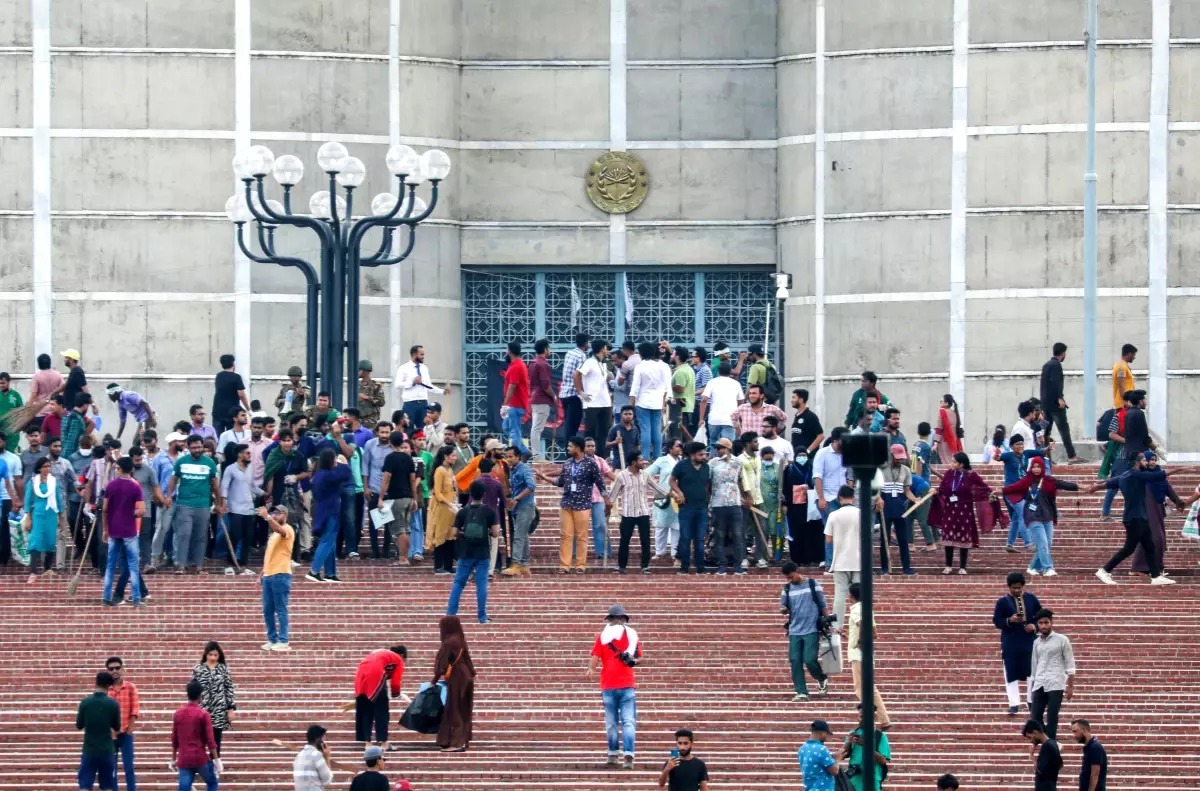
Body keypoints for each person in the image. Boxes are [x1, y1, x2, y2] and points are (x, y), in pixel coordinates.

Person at [1089, 452, 1179, 585]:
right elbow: (1159, 475)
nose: (1146, 462)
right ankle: (1104, 570)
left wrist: (1095, 487)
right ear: (1137, 462)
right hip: (1134, 518)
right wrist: (1180, 469)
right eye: (1144, 460)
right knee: (1129, 548)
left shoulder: (1125, 475)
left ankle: (1155, 576)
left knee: (1149, 546)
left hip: (1140, 517)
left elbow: (1108, 483)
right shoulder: (1136, 475)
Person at [536, 435, 607, 574]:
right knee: (565, 535)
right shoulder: (568, 463)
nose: (568, 448)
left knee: (581, 536)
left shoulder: (590, 463)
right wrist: (545, 477)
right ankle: (564, 565)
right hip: (567, 503)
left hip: (582, 504)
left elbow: (600, 482)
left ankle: (580, 565)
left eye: (570, 446)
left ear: (578, 448)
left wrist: (607, 500)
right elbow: (560, 481)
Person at [1003, 456, 1078, 577]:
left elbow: (1063, 484)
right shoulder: (1026, 480)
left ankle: (1033, 567)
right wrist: (1000, 491)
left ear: (1042, 467)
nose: (1036, 469)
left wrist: (1081, 487)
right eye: (1034, 466)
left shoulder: (1048, 480)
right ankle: (1048, 568)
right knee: (1042, 543)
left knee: (1047, 544)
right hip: (1032, 516)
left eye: (1038, 467)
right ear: (1031, 467)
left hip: (1047, 516)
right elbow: (1013, 488)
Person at [588, 604, 643, 769]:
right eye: (615, 618)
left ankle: (627, 754)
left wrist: (633, 661)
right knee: (613, 723)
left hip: (625, 685)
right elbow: (595, 655)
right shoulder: (603, 637)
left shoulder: (631, 636)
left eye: (619, 618)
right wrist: (591, 668)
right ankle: (613, 753)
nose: (617, 621)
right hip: (609, 685)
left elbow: (640, 657)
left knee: (626, 722)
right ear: (611, 620)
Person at [166, 435, 223, 575]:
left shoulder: (209, 463)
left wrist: (219, 503)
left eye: (199, 447)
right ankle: (180, 565)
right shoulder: (181, 462)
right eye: (194, 447)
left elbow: (215, 485)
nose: (197, 450)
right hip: (184, 503)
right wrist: (168, 496)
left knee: (200, 535)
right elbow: (173, 480)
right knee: (184, 534)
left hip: (203, 504)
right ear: (188, 447)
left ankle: (199, 565)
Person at [929, 452, 994, 575]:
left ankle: (962, 567)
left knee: (963, 537)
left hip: (964, 511)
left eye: (954, 462)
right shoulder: (949, 474)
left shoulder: (972, 475)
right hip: (949, 510)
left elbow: (984, 487)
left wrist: (990, 495)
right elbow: (942, 488)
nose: (951, 464)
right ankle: (948, 566)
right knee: (949, 536)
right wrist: (935, 490)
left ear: (961, 464)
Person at [607, 451, 671, 574]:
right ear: (633, 462)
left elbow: (657, 488)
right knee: (624, 540)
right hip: (627, 514)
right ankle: (622, 566)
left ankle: (645, 566)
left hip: (643, 512)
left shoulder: (645, 475)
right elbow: (613, 495)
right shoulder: (622, 476)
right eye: (641, 460)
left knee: (645, 541)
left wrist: (672, 494)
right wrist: (607, 508)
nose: (644, 462)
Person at [447, 480, 497, 624]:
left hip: (465, 552)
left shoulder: (463, 512)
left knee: (458, 582)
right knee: (481, 585)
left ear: (470, 494)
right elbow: (494, 533)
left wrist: (463, 533)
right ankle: (482, 617)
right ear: (483, 495)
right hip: (482, 553)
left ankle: (450, 615)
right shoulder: (489, 512)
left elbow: (454, 532)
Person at [992, 571, 1042, 715]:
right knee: (1010, 673)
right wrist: (1010, 620)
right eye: (1014, 588)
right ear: (1009, 587)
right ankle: (1014, 703)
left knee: (1032, 672)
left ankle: (1031, 700)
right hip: (1010, 642)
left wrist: (1035, 627)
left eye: (1019, 588)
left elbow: (1041, 616)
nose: (1016, 590)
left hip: (1029, 641)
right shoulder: (1002, 602)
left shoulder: (1031, 598)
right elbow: (997, 621)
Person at [780, 562, 830, 702]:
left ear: (797, 571)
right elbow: (783, 605)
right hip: (795, 630)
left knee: (809, 659)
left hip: (811, 629)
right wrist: (783, 609)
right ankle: (801, 692)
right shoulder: (787, 589)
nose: (789, 580)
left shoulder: (814, 584)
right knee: (795, 661)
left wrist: (827, 622)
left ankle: (821, 678)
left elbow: (822, 604)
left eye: (791, 577)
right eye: (787, 578)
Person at [1131, 450, 1184, 577]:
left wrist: (1178, 502)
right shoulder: (1142, 475)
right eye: (1150, 459)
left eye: (1155, 459)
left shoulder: (1159, 474)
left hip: (1158, 508)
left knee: (1157, 538)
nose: (1153, 462)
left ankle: (1154, 568)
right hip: (1147, 507)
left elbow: (1167, 489)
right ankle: (1140, 567)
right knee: (1156, 537)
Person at [845, 581, 890, 728]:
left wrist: (859, 641)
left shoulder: (857, 609)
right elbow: (874, 632)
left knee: (861, 689)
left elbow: (864, 626)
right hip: (865, 653)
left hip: (859, 655)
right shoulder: (867, 608)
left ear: (851, 596)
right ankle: (882, 718)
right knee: (869, 688)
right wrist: (851, 638)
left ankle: (874, 716)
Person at [102, 457, 145, 607]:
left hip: (114, 529)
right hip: (130, 530)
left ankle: (106, 597)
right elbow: (141, 510)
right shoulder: (135, 487)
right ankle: (136, 598)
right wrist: (132, 514)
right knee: (133, 565)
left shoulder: (111, 486)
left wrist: (105, 529)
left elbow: (105, 509)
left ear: (120, 468)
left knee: (111, 565)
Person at [1030, 609, 1076, 742]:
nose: (1043, 626)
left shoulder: (1062, 640)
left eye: (1046, 622)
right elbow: (1034, 665)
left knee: (1052, 716)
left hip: (1056, 683)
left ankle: (1052, 743)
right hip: (1039, 683)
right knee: (1035, 716)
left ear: (1051, 622)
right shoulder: (1036, 642)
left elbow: (1070, 663)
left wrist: (1070, 686)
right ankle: (1048, 741)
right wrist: (1032, 686)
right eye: (1041, 623)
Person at [306, 448, 351, 584]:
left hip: (325, 510)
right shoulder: (326, 475)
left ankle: (330, 573)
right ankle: (313, 571)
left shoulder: (320, 474)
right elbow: (347, 473)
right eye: (334, 458)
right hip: (330, 510)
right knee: (327, 541)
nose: (335, 460)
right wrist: (343, 462)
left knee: (330, 542)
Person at [186, 642, 237, 761]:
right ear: (206, 655)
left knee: (216, 738)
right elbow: (192, 689)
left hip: (219, 708)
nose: (213, 658)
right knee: (200, 737)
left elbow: (229, 689)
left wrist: (231, 709)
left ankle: (215, 763)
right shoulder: (198, 669)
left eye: (215, 655)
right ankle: (201, 762)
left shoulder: (223, 669)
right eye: (210, 655)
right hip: (202, 708)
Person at [433, 616, 476, 752]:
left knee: (454, 709)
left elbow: (442, 663)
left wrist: (434, 680)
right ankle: (462, 740)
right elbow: (468, 659)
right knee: (464, 708)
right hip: (467, 676)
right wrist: (472, 674)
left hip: (457, 677)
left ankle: (456, 743)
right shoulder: (460, 639)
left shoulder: (448, 642)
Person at [353, 646, 407, 751]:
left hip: (360, 674)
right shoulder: (398, 659)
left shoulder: (380, 654)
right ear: (402, 655)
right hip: (375, 674)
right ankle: (383, 743)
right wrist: (396, 694)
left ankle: (367, 743)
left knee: (365, 711)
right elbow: (395, 683)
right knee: (382, 711)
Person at [256, 504, 295, 651]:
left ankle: (283, 640)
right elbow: (269, 555)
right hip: (269, 574)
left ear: (284, 515)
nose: (275, 515)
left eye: (277, 513)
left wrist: (267, 517)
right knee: (267, 610)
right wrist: (261, 574)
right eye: (273, 513)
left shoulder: (288, 529)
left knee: (281, 608)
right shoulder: (273, 535)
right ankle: (272, 639)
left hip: (281, 574)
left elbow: (280, 530)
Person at [669, 441, 711, 574]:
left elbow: (708, 485)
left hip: (702, 508)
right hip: (686, 507)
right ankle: (684, 567)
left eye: (704, 454)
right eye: (700, 454)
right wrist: (679, 493)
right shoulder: (682, 465)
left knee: (700, 539)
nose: (703, 457)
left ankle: (700, 568)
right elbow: (671, 480)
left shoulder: (706, 467)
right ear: (692, 455)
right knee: (686, 537)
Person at [377, 432, 418, 566]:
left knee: (400, 529)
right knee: (406, 529)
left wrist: (381, 498)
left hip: (396, 497)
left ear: (390, 442)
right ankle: (404, 556)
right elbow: (413, 479)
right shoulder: (408, 458)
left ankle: (403, 558)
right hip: (407, 497)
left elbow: (386, 478)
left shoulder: (390, 458)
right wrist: (415, 498)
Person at [708, 437, 748, 575]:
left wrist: (746, 497)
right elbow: (708, 483)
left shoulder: (738, 462)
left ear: (727, 448)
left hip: (735, 502)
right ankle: (722, 565)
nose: (717, 451)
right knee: (719, 535)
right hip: (718, 503)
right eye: (716, 448)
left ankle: (739, 565)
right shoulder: (712, 463)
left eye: (720, 448)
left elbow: (741, 480)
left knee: (737, 535)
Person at [171, 680, 220, 791]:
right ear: (200, 696)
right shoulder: (203, 714)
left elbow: (175, 739)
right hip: (200, 757)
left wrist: (173, 759)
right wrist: (217, 760)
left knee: (184, 788)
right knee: (212, 783)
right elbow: (210, 740)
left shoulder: (178, 714)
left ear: (187, 695)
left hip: (184, 759)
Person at [220, 444, 261, 574]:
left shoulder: (249, 469)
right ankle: (231, 563)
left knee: (248, 536)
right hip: (235, 508)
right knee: (235, 536)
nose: (250, 455)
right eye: (247, 453)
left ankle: (244, 563)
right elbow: (224, 487)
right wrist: (223, 503)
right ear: (240, 454)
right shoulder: (230, 469)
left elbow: (253, 487)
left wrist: (265, 494)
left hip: (249, 508)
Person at [877, 444, 917, 575]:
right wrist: (878, 498)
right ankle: (884, 567)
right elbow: (875, 489)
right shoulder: (881, 469)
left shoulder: (905, 470)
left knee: (903, 538)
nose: (899, 460)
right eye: (897, 458)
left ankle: (906, 567)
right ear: (891, 455)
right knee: (885, 538)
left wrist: (915, 499)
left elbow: (907, 491)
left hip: (900, 507)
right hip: (885, 506)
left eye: (901, 458)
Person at [77, 671, 120, 791]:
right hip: (106, 750)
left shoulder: (85, 702)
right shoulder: (113, 704)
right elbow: (117, 726)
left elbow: (79, 725)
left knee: (85, 785)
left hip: (89, 749)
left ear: (96, 683)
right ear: (109, 686)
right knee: (107, 786)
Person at [22, 456, 64, 582]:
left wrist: (61, 517)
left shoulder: (53, 482)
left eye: (49, 466)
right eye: (45, 466)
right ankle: (33, 571)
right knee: (35, 541)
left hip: (51, 514)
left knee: (50, 541)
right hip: (38, 515)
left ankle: (47, 569)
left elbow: (58, 499)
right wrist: (28, 516)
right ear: (39, 468)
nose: (48, 468)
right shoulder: (33, 481)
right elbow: (28, 500)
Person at [630, 341, 672, 462]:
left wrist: (630, 404)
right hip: (658, 402)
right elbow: (667, 387)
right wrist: (664, 402)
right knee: (657, 431)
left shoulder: (641, 366)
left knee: (645, 430)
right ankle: (658, 456)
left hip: (642, 402)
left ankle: (646, 457)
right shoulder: (664, 366)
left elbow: (635, 388)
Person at [1040, 343, 1080, 463]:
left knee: (1045, 431)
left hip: (1045, 405)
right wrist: (1060, 398)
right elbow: (1056, 383)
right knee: (1064, 429)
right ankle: (1071, 455)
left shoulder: (1046, 365)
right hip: (1055, 405)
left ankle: (1045, 457)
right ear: (1063, 353)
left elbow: (1044, 386)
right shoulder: (1056, 365)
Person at [395, 345, 450, 431]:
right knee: (408, 428)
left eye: (423, 354)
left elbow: (428, 386)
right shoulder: (403, 368)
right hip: (410, 403)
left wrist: (442, 391)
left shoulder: (424, 368)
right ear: (414, 355)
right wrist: (412, 383)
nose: (423, 357)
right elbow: (397, 384)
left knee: (424, 429)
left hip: (423, 404)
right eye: (421, 354)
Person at [105, 657, 139, 791]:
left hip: (126, 735)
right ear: (107, 671)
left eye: (117, 668)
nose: (114, 671)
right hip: (110, 736)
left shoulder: (130, 687)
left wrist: (129, 730)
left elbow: (135, 710)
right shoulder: (105, 690)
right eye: (111, 669)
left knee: (129, 768)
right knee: (111, 769)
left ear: (122, 669)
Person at [646, 439, 682, 561]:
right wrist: (658, 487)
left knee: (677, 526)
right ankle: (659, 551)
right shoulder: (662, 461)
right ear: (670, 448)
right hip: (663, 496)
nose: (680, 448)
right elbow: (647, 473)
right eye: (677, 446)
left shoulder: (682, 462)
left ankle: (674, 552)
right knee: (661, 525)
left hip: (678, 497)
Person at [427, 446, 460, 575]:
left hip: (450, 508)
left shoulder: (450, 470)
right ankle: (438, 566)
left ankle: (448, 565)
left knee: (450, 536)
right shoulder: (440, 471)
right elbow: (437, 493)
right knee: (440, 536)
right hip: (442, 507)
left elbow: (452, 490)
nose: (455, 458)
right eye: (453, 455)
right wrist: (449, 504)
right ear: (445, 457)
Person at [697, 361, 744, 449]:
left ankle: (713, 461)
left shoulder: (712, 382)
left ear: (718, 371)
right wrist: (740, 419)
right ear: (730, 371)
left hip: (714, 419)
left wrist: (701, 419)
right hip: (730, 420)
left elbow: (704, 400)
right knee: (727, 446)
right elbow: (741, 402)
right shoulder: (736, 384)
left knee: (714, 444)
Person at [577, 339, 614, 449]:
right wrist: (580, 391)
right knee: (590, 432)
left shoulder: (603, 363)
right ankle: (588, 457)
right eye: (606, 348)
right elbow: (576, 375)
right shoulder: (590, 362)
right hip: (592, 402)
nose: (608, 351)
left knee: (603, 432)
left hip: (605, 402)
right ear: (602, 348)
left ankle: (601, 458)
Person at [840, 717, 891, 791]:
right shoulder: (853, 733)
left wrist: (867, 746)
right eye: (859, 716)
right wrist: (848, 742)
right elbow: (841, 755)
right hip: (854, 780)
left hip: (872, 780)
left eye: (862, 716)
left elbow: (883, 760)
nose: (860, 719)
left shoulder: (879, 736)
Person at [499, 342, 531, 456]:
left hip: (515, 404)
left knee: (514, 432)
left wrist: (505, 405)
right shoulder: (515, 365)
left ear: (509, 351)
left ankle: (521, 454)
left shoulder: (517, 366)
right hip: (514, 405)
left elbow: (512, 387)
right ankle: (524, 450)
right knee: (506, 427)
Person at [212, 354, 249, 435]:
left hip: (218, 411)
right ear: (233, 364)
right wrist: (248, 409)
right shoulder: (236, 377)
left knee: (217, 437)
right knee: (232, 435)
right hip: (232, 412)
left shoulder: (219, 376)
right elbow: (241, 395)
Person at [1022, 719, 1063, 791]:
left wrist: (1032, 756)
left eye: (1029, 737)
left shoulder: (1046, 746)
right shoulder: (1053, 743)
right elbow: (1060, 764)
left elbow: (1039, 770)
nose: (1030, 741)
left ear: (1035, 733)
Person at [798, 720, 838, 791]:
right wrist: (837, 759)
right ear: (821, 733)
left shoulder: (802, 748)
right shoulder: (822, 749)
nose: (827, 737)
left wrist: (831, 757)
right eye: (827, 734)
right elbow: (834, 771)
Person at [293, 724, 334, 791]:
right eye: (323, 738)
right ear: (318, 739)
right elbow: (327, 780)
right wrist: (327, 757)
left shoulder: (298, 756)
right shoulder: (317, 755)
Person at [1070, 719, 1106, 791]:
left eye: (1075, 731)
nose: (1073, 736)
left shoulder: (1095, 747)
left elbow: (1095, 774)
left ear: (1084, 730)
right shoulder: (1089, 747)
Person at [931, 394, 964, 465]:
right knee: (952, 462)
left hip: (944, 442)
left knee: (945, 463)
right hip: (954, 442)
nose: (940, 403)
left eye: (941, 401)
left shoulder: (942, 412)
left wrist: (935, 443)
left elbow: (939, 429)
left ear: (946, 403)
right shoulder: (955, 413)